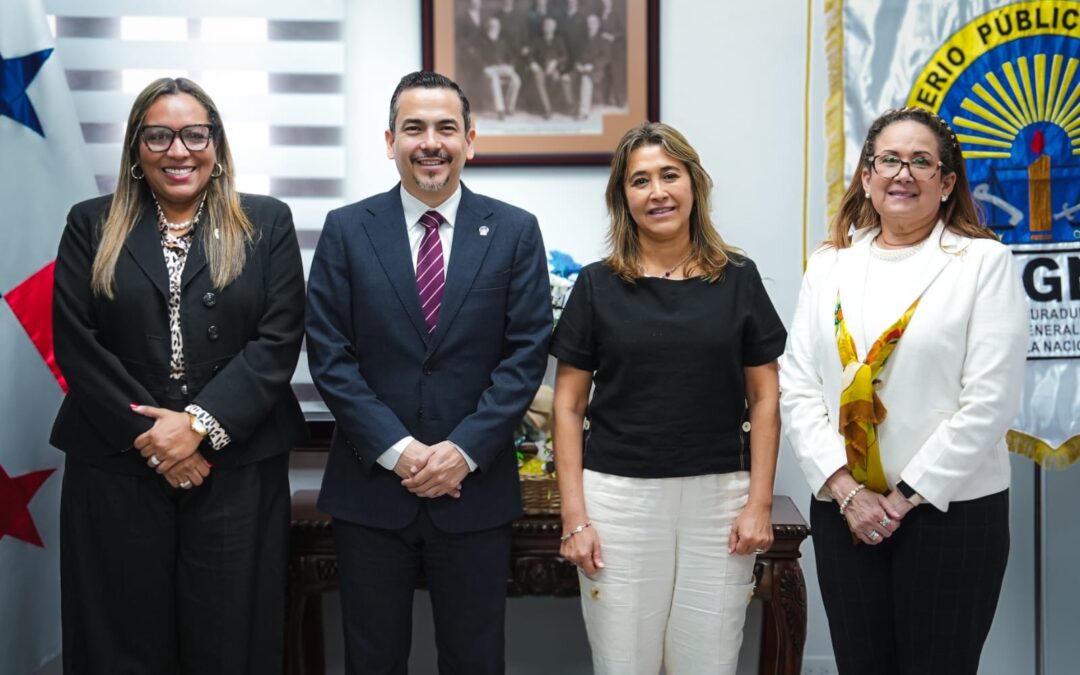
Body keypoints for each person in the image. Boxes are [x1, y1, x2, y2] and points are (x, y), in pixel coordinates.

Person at [51, 77, 306, 674]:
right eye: (159, 136)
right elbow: (76, 342)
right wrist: (161, 443)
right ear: (136, 150)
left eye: (195, 134)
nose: (178, 150)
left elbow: (278, 338)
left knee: (232, 641)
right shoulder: (91, 224)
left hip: (236, 467)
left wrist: (199, 426)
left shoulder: (266, 222)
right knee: (118, 639)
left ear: (216, 144)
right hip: (116, 465)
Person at [305, 71, 551, 675]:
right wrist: (401, 451)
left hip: (475, 489)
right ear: (390, 140)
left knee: (474, 659)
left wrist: (461, 451)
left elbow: (525, 355)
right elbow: (330, 356)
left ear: (471, 139)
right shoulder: (346, 229)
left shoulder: (516, 231)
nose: (430, 142)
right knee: (372, 658)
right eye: (414, 128)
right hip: (371, 490)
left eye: (446, 128)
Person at [779, 106, 1028, 675]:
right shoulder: (828, 266)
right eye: (889, 159)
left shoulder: (982, 263)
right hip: (845, 513)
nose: (903, 173)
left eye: (922, 162)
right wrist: (846, 492)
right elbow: (798, 385)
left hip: (949, 514)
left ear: (946, 183)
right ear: (866, 176)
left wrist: (902, 498)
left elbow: (989, 402)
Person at [550, 122, 786, 675]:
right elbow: (566, 406)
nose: (657, 192)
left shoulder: (739, 279)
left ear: (693, 185)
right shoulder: (596, 285)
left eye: (669, 175)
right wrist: (574, 514)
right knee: (623, 662)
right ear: (623, 198)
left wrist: (759, 502)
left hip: (720, 502)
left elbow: (765, 396)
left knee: (708, 662)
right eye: (640, 181)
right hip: (618, 502)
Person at [527, 16, 574, 118]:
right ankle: (547, 109)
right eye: (545, 25)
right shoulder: (537, 40)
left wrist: (555, 61)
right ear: (543, 27)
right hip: (540, 69)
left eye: (550, 25)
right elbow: (530, 55)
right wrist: (533, 63)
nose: (547, 27)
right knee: (538, 79)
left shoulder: (559, 40)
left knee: (563, 79)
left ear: (554, 27)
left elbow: (565, 56)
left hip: (554, 69)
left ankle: (570, 107)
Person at [480, 16, 523, 119]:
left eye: (496, 26)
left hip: (502, 68)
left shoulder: (503, 41)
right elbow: (478, 57)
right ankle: (500, 110)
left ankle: (509, 107)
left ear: (499, 27)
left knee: (516, 79)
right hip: (489, 69)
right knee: (495, 79)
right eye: (492, 26)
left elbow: (511, 56)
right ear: (488, 27)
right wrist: (484, 67)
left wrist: (511, 65)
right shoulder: (482, 41)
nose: (494, 28)